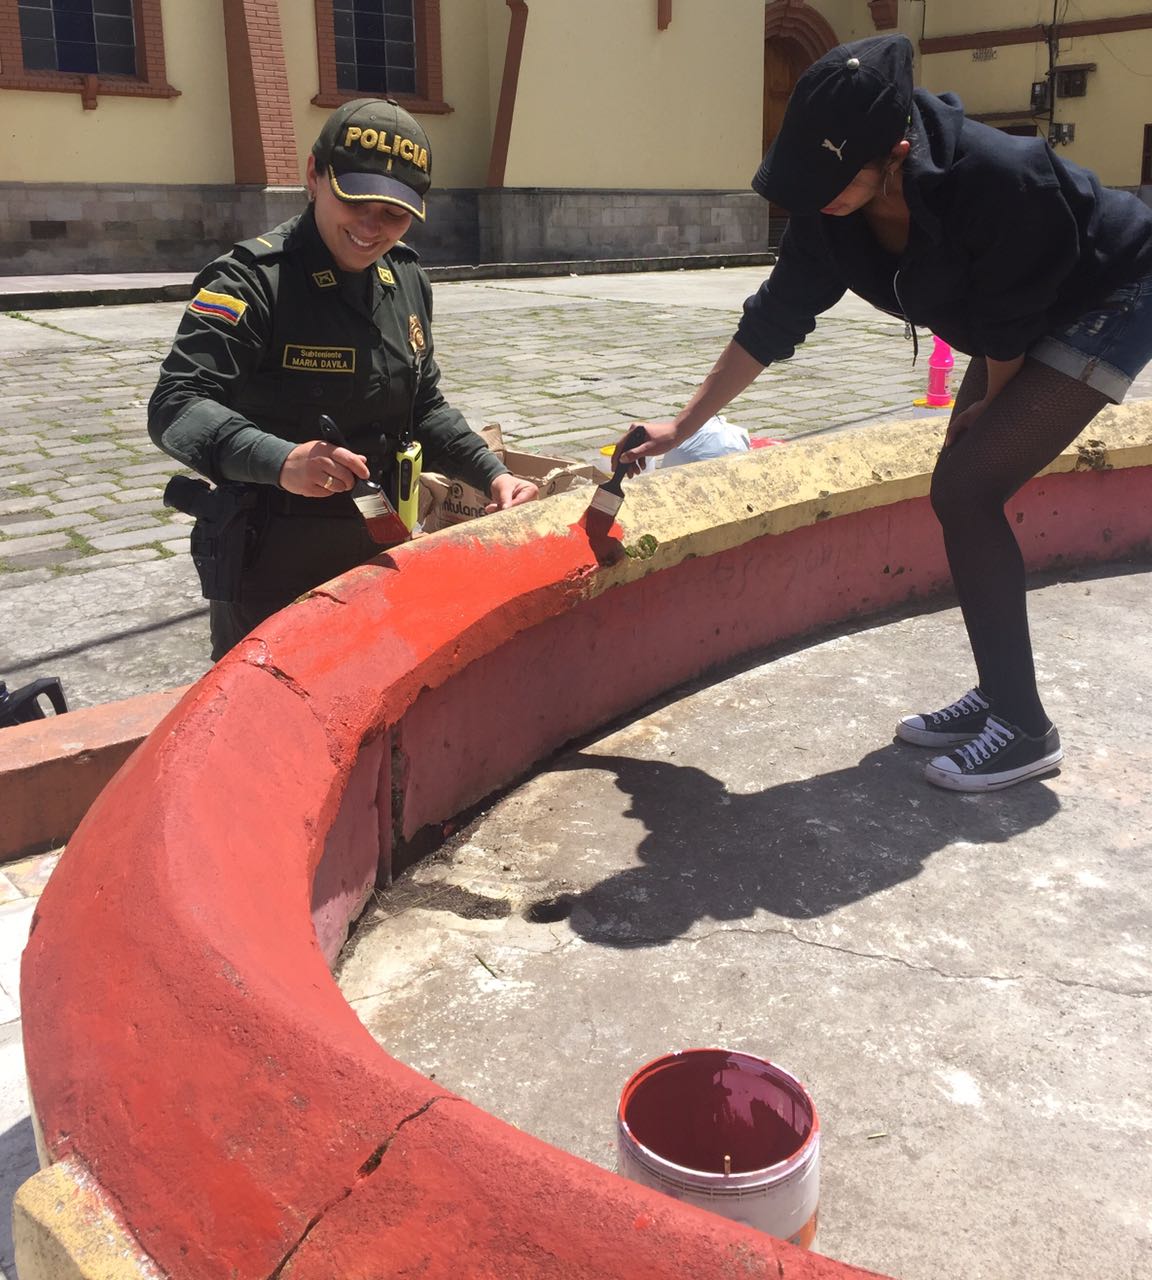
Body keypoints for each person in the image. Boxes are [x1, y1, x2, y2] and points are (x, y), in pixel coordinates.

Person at [614, 33, 1152, 793]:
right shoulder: (829, 205)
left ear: (896, 150)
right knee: (961, 487)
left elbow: (1011, 317)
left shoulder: (999, 179)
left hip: (1112, 294)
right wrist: (683, 426)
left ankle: (1025, 728)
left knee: (966, 490)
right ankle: (1000, 696)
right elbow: (774, 318)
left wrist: (993, 409)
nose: (818, 197)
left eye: (835, 180)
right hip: (1026, 308)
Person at [150, 98, 537, 660]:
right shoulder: (253, 281)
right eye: (356, 202)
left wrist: (492, 475)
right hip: (272, 560)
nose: (371, 228)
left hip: (377, 545)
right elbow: (176, 404)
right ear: (313, 175)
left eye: (395, 214)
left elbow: (423, 405)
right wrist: (282, 460)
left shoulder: (403, 279)